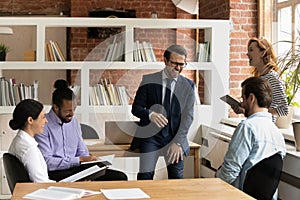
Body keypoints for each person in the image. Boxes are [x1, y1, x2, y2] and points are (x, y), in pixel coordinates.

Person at [35, 80, 127, 181]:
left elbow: (82, 151)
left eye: (74, 109)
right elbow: (47, 162)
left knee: (120, 177)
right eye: (68, 111)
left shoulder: (74, 122)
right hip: (56, 172)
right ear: (56, 107)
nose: (72, 114)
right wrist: (79, 160)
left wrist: (90, 160)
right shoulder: (43, 125)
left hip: (77, 168)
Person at [130, 44, 195, 180]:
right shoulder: (148, 80)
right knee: (145, 175)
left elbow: (188, 117)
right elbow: (136, 108)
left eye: (182, 64)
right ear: (165, 61)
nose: (178, 68)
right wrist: (150, 114)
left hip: (175, 137)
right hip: (151, 137)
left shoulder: (189, 85)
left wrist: (177, 143)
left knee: (176, 177)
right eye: (174, 63)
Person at [216, 76, 286, 199]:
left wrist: (214, 178)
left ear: (251, 98)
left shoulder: (247, 127)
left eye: (243, 98)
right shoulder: (277, 134)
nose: (242, 103)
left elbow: (229, 172)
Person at [233, 37, 288, 122]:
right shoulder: (260, 78)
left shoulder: (272, 78)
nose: (247, 54)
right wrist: (245, 110)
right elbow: (259, 110)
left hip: (264, 127)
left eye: (251, 50)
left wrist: (258, 111)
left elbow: (284, 109)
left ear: (262, 53)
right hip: (257, 125)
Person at [8, 99, 54, 182]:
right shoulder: (29, 149)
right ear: (30, 120)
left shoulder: (19, 141)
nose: (46, 121)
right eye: (43, 117)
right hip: (40, 192)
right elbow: (41, 183)